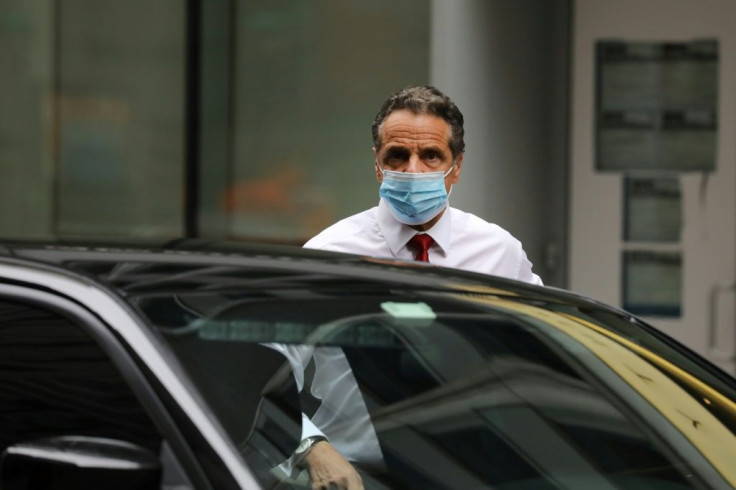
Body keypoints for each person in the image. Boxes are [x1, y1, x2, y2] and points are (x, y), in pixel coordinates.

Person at [295, 85, 543, 489]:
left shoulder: (498, 253)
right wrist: (311, 448)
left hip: (475, 471)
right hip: (356, 477)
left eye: (431, 156)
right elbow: (260, 366)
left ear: (457, 166)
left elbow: (541, 356)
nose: (413, 170)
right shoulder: (328, 255)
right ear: (377, 165)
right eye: (397, 156)